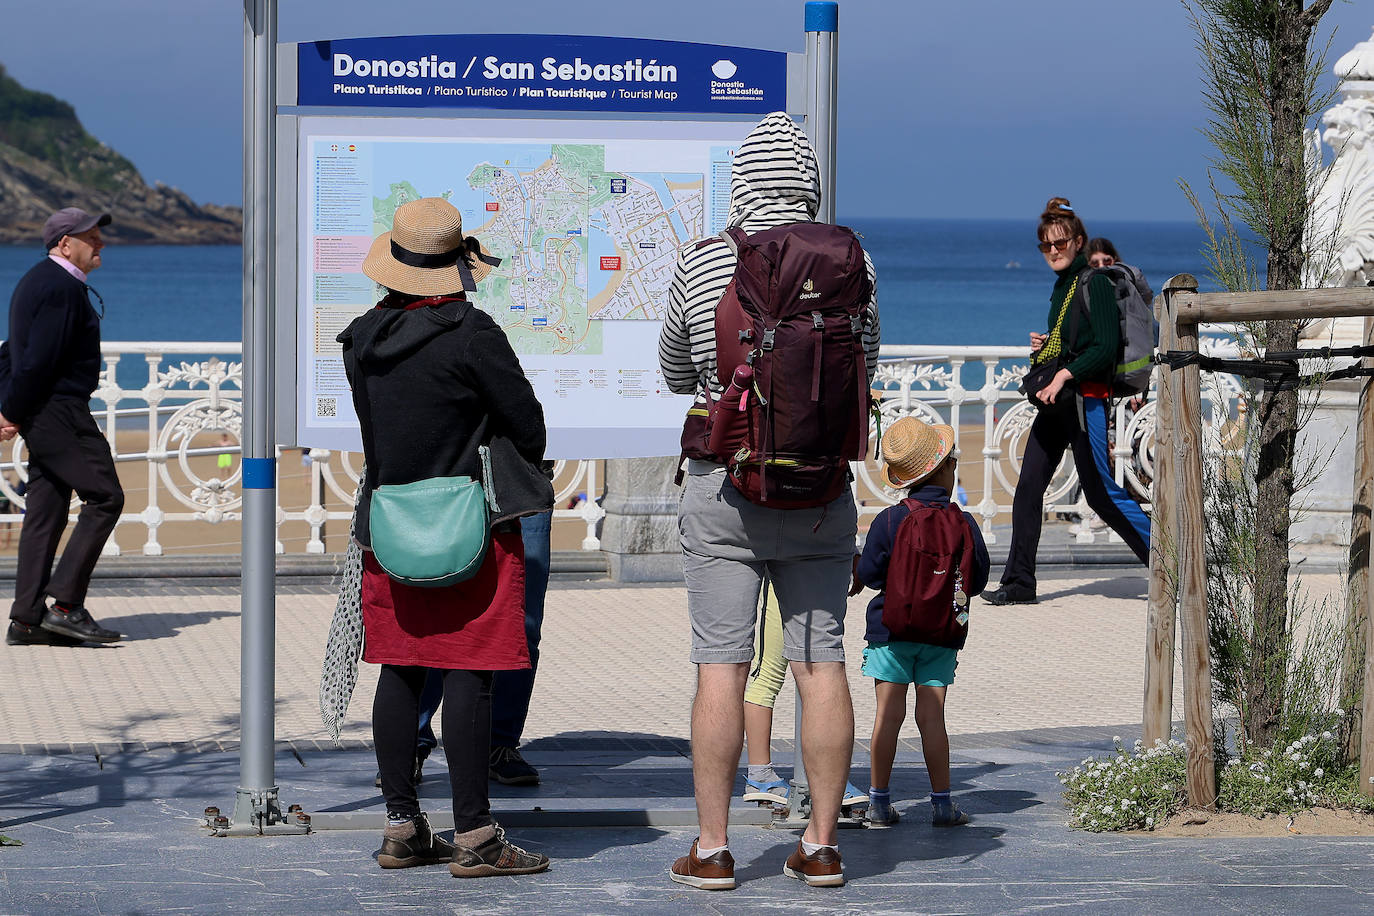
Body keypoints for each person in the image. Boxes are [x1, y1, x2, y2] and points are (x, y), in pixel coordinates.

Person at [659, 111, 880, 891]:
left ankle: (715, 849)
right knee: (822, 664)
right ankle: (820, 844)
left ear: (740, 181)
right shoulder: (854, 263)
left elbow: (676, 368)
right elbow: (866, 364)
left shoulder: (705, 260)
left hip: (725, 484)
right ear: (809, 184)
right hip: (819, 489)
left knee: (722, 664)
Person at [338, 196, 549, 878]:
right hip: (470, 524)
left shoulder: (360, 340)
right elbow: (527, 423)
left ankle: (401, 827)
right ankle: (477, 836)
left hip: (389, 523)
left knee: (400, 666)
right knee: (469, 668)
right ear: (453, 266)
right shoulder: (472, 333)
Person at [985, 199, 1152, 606]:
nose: (1053, 251)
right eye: (1046, 246)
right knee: (1028, 488)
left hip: (1084, 400)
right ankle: (1020, 583)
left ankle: (1174, 567)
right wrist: (1049, 349)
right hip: (1058, 402)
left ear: (1078, 242)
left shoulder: (1094, 281)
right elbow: (1076, 340)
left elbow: (1106, 347)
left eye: (1060, 243)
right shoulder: (1062, 287)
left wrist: (1062, 373)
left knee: (1101, 494)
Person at [851, 416, 989, 828]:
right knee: (933, 719)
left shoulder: (890, 521)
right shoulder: (964, 523)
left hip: (891, 634)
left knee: (887, 717)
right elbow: (978, 580)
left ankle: (878, 802)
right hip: (943, 634)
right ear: (944, 469)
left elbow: (873, 575)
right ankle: (943, 803)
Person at [1, 207, 124, 647]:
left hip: (45, 409)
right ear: (65, 244)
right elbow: (34, 361)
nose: (101, 244)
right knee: (107, 497)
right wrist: (10, 411)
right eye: (92, 237)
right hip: (58, 410)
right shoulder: (58, 287)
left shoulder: (47, 281)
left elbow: (14, 350)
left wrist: (11, 407)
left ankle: (27, 619)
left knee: (45, 512)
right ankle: (66, 606)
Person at [379, 507, 553, 790]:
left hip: (520, 487)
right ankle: (411, 744)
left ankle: (499, 743)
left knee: (522, 625)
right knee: (433, 624)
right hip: (443, 481)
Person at [740, 583, 870, 812]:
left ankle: (764, 775)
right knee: (812, 676)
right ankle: (824, 780)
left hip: (798, 574)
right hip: (804, 574)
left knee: (812, 678)